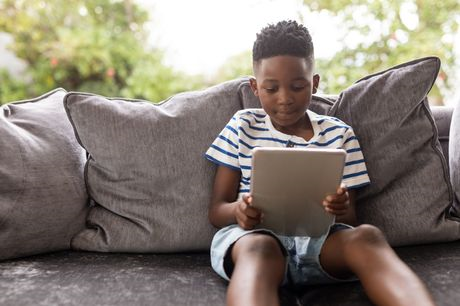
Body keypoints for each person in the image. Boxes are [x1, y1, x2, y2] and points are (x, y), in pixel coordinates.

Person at [204, 20, 436, 306]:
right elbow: (217, 210)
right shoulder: (242, 126)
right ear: (255, 87)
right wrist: (239, 211)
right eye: (271, 88)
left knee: (367, 236)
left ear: (314, 83)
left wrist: (338, 207)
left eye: (298, 86)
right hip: (254, 239)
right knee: (261, 248)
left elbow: (348, 218)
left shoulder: (339, 134)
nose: (285, 99)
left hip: (320, 244)